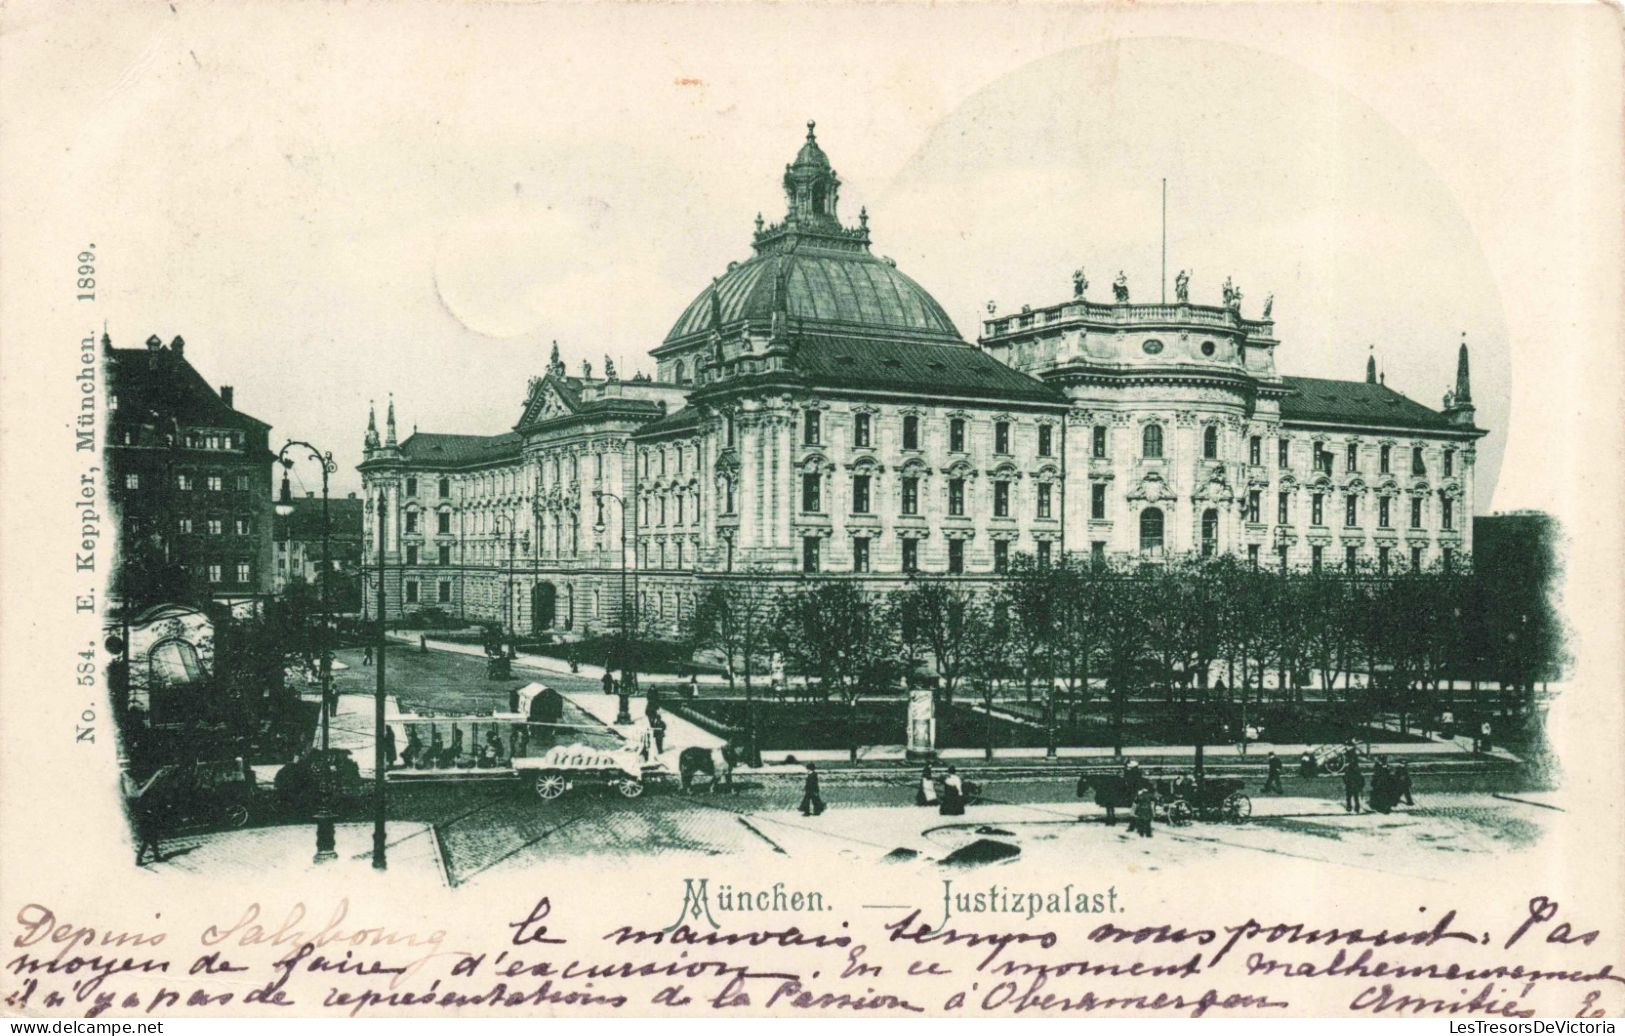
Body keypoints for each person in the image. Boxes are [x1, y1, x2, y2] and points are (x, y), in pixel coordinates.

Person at [123, 767, 169, 866]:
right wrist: (156, 776)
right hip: (142, 815)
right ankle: (139, 859)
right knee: (147, 838)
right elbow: (140, 792)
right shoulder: (132, 790)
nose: (134, 783)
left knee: (152, 836)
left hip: (144, 814)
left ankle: (156, 856)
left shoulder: (127, 782)